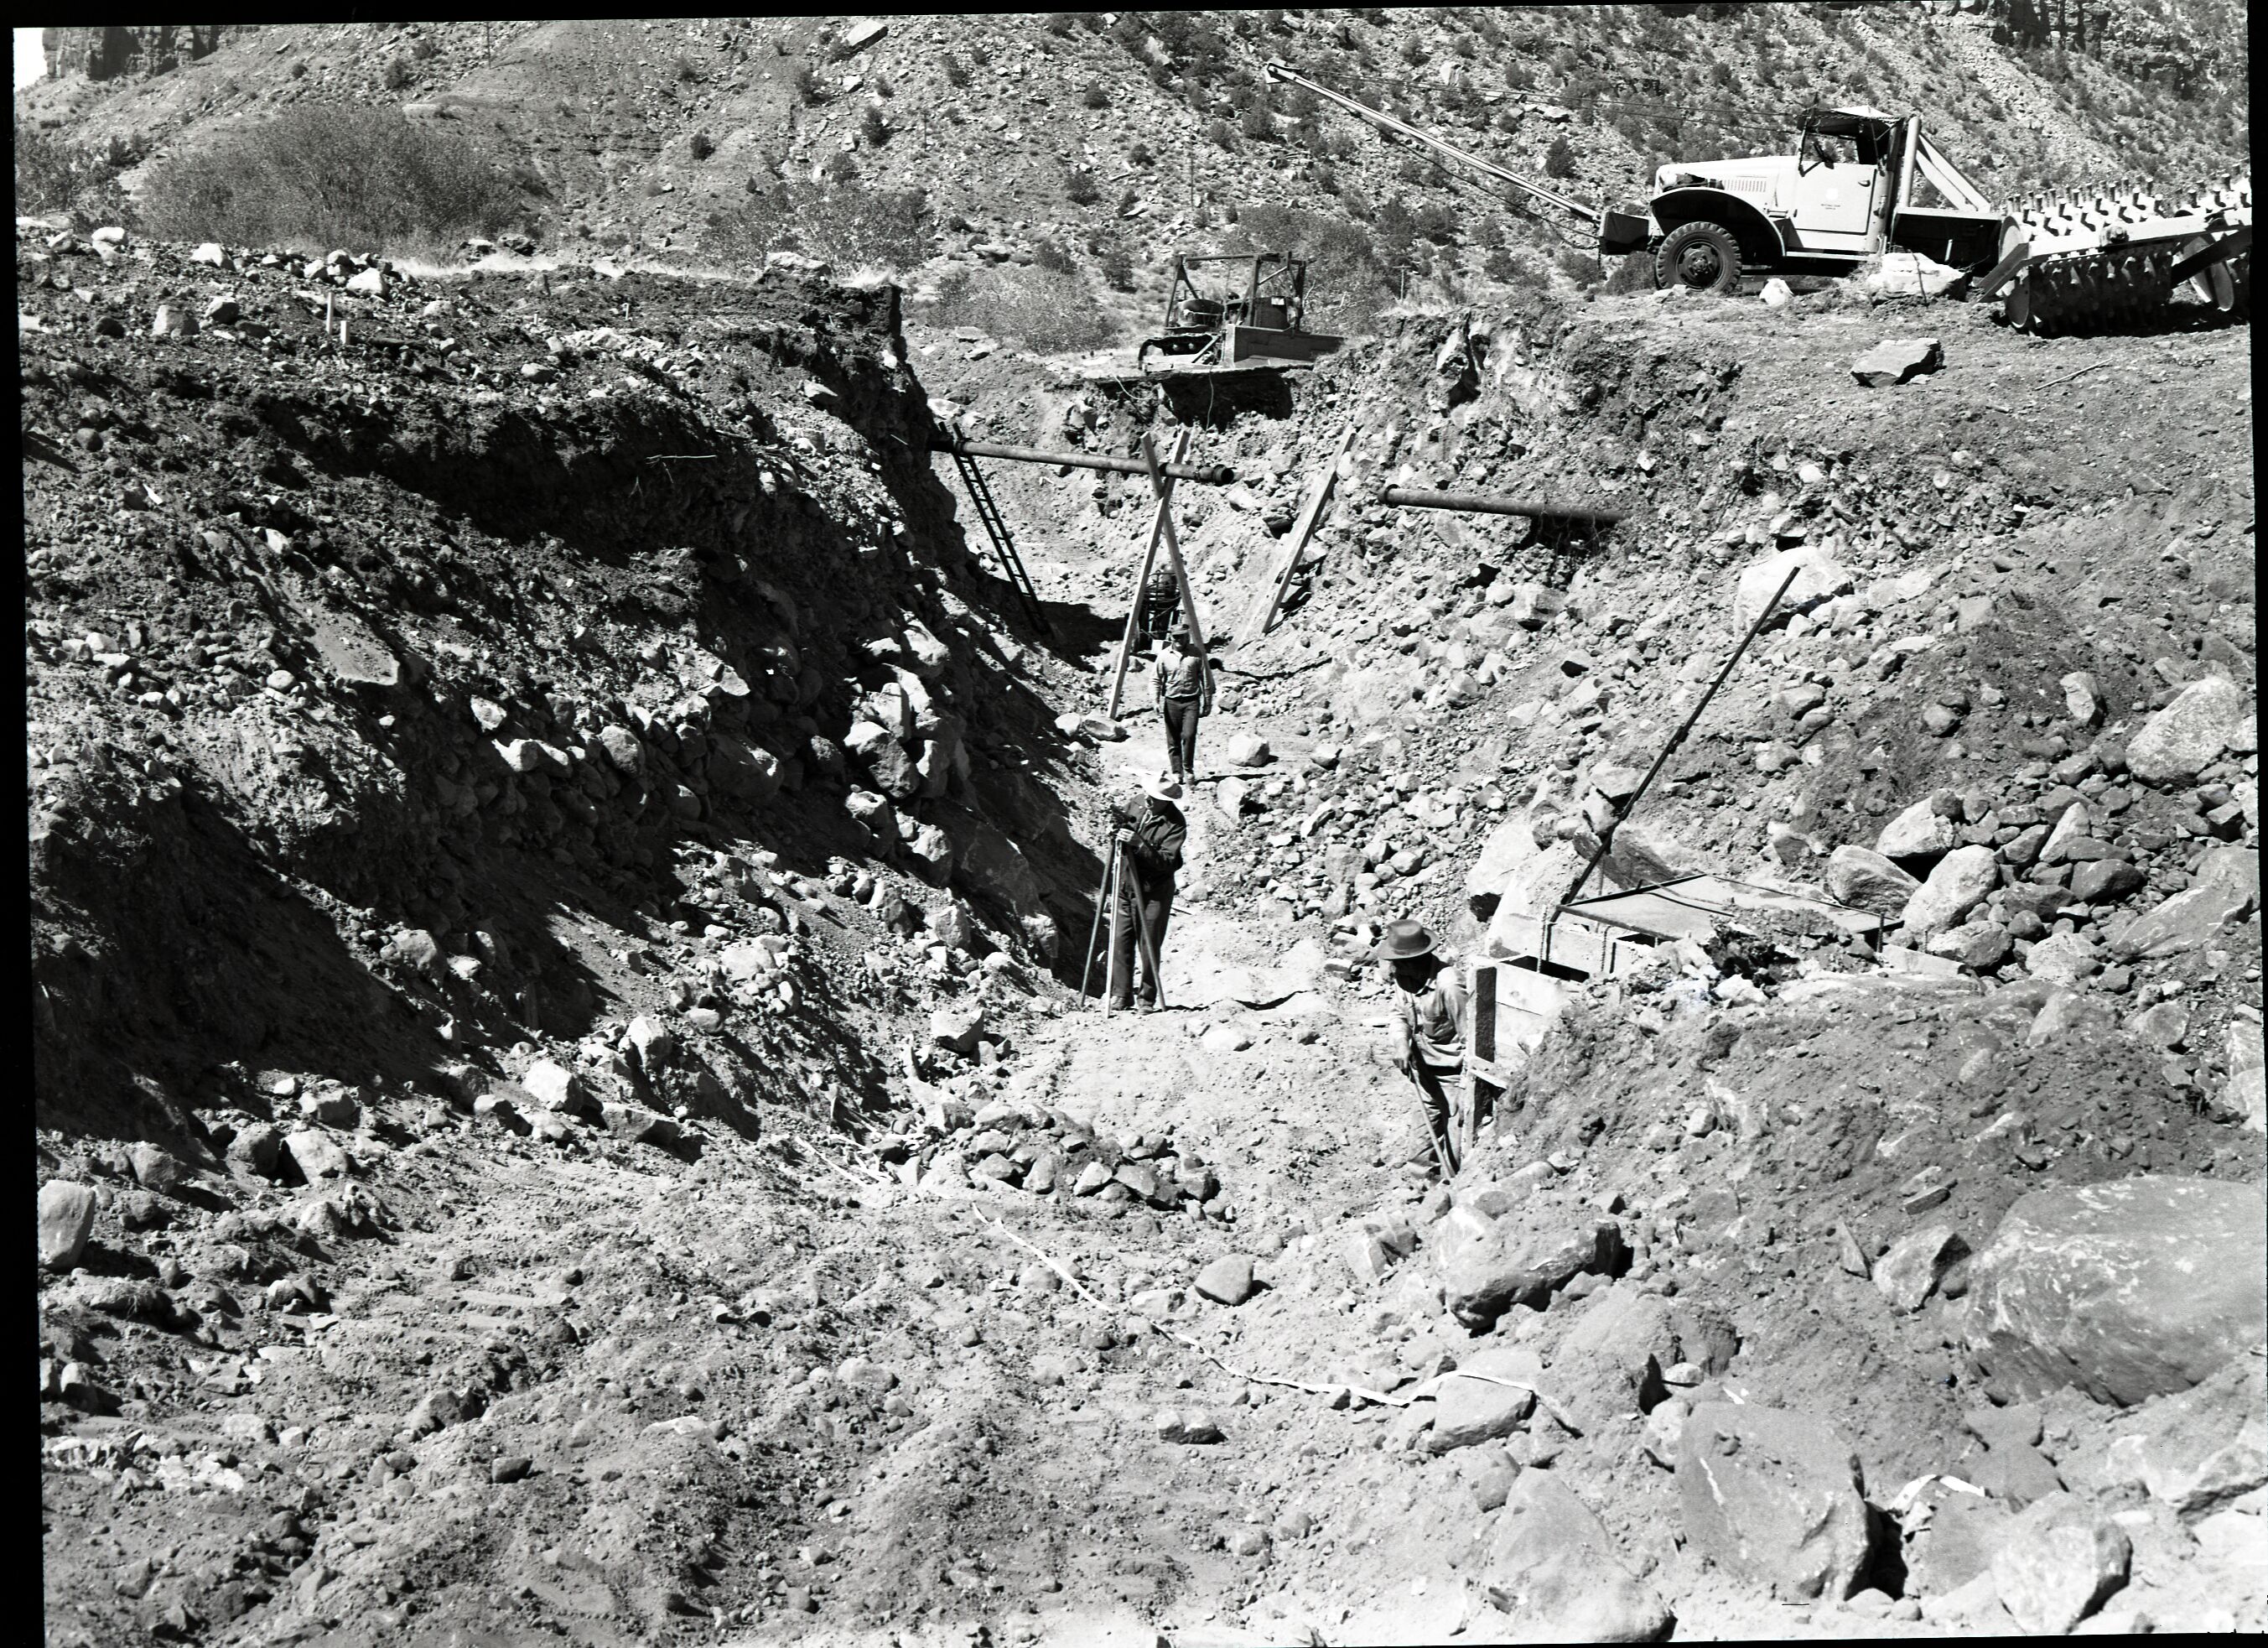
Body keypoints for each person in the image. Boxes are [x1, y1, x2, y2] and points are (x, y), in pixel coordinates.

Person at [1379, 918, 1471, 1178]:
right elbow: (1398, 1014)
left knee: (1456, 1159)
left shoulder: (1450, 985)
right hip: (1425, 1074)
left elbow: (1471, 1039)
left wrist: (1466, 1089)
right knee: (1420, 1155)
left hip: (1454, 1076)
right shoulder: (1405, 979)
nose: (1393, 969)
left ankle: (1455, 1190)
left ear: (1415, 961)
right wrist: (1401, 1044)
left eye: (1397, 962)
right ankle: (1422, 1190)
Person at [1106, 775, 1186, 1011]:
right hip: (1126, 883)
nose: (1148, 800)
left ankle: (1147, 998)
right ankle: (1121, 995)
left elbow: (1167, 861)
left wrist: (1139, 844)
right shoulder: (1136, 803)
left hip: (1154, 891)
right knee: (1121, 939)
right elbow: (1121, 827)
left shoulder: (1175, 824)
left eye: (1154, 798)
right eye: (1148, 795)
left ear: (1166, 801)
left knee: (1149, 943)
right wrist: (1114, 830)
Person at [1151, 623, 1212, 784]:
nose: (1178, 640)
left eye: (1182, 636)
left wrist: (1208, 701)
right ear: (1171, 637)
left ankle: (1188, 770)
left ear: (1187, 637)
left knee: (1189, 735)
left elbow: (1205, 678)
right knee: (1173, 739)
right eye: (1175, 637)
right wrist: (1156, 700)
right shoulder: (1164, 656)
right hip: (1171, 702)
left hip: (1191, 701)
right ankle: (1177, 771)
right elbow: (1155, 679)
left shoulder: (1196, 654)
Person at [1140, 558, 1182, 643]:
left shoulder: (1171, 568)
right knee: (1160, 618)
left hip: (1165, 597)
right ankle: (1153, 639)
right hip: (1165, 596)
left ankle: (1154, 639)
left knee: (1160, 618)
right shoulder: (1172, 568)